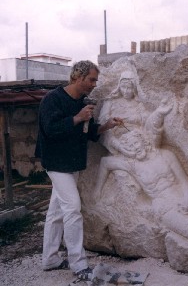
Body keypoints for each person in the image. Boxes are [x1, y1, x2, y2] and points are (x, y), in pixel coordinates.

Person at [34, 60, 123, 281]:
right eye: (91, 79)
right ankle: (79, 263)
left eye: (96, 80)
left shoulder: (82, 102)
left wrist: (106, 126)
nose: (94, 84)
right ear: (78, 77)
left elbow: (85, 130)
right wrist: (77, 117)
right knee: (73, 209)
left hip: (72, 163)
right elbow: (50, 129)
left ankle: (50, 259)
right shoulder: (52, 100)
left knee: (56, 212)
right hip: (55, 163)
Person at [94, 129, 188, 253]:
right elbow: (105, 163)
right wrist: (97, 190)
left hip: (181, 194)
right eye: (130, 147)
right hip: (164, 206)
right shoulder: (131, 165)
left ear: (144, 141)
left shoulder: (165, 155)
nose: (135, 148)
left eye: (136, 143)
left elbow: (184, 179)